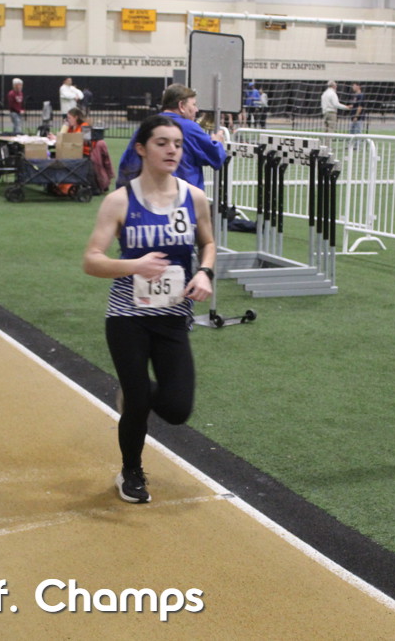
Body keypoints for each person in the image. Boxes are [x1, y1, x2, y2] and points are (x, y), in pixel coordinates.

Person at [82, 114, 216, 504]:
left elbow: (207, 243)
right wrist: (133, 265)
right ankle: (131, 472)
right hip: (128, 317)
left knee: (176, 408)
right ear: (141, 149)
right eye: (162, 143)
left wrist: (205, 272)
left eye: (177, 143)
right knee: (139, 403)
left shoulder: (194, 197)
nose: (172, 150)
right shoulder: (120, 201)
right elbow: (92, 260)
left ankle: (133, 391)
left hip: (173, 315)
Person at [117, 83, 226, 191]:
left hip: (146, 193)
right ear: (181, 106)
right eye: (193, 105)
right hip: (183, 195)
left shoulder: (147, 126)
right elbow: (216, 157)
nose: (196, 109)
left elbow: (127, 164)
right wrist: (218, 143)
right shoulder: (190, 128)